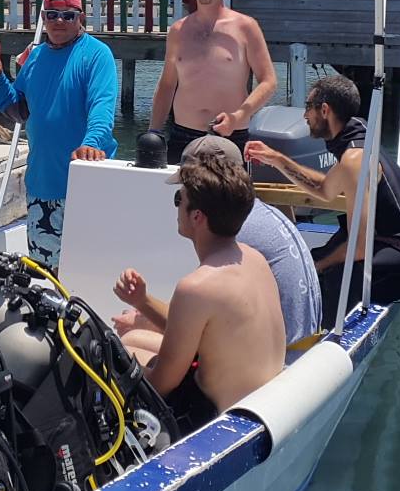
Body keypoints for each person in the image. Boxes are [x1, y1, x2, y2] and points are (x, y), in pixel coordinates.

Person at [110, 152, 286, 429]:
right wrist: (142, 301)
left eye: (179, 199)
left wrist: (111, 364)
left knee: (113, 351)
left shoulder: (197, 287)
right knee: (133, 337)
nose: (176, 207)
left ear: (197, 216)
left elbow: (160, 385)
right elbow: (206, 333)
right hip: (263, 402)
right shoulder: (255, 259)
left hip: (216, 418)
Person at [245, 73, 400, 327]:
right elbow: (325, 189)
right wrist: (276, 159)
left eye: (308, 107)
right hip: (383, 239)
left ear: (324, 110)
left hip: (399, 258)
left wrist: (317, 266)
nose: (304, 116)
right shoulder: (356, 138)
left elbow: (360, 247)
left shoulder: (355, 159)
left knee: (321, 272)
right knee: (317, 258)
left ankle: (321, 336)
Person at [111, 136, 321, 347]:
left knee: (131, 341)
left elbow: (193, 325)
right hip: (297, 348)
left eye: (184, 192)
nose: (180, 200)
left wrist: (142, 317)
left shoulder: (229, 230)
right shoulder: (255, 214)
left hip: (276, 360)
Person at [0, 0, 117, 271]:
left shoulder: (97, 55)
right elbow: (18, 109)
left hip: (88, 185)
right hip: (42, 186)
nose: (58, 21)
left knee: (91, 271)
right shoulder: (36, 55)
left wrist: (91, 143)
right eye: (51, 14)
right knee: (47, 276)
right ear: (43, 17)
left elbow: (102, 108)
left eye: (67, 15)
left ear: (81, 18)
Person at [150, 0, 277, 164]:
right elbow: (167, 84)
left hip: (229, 135)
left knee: (227, 197)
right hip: (183, 135)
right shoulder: (178, 31)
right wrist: (153, 131)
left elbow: (269, 81)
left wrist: (238, 116)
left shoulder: (245, 27)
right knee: (177, 196)